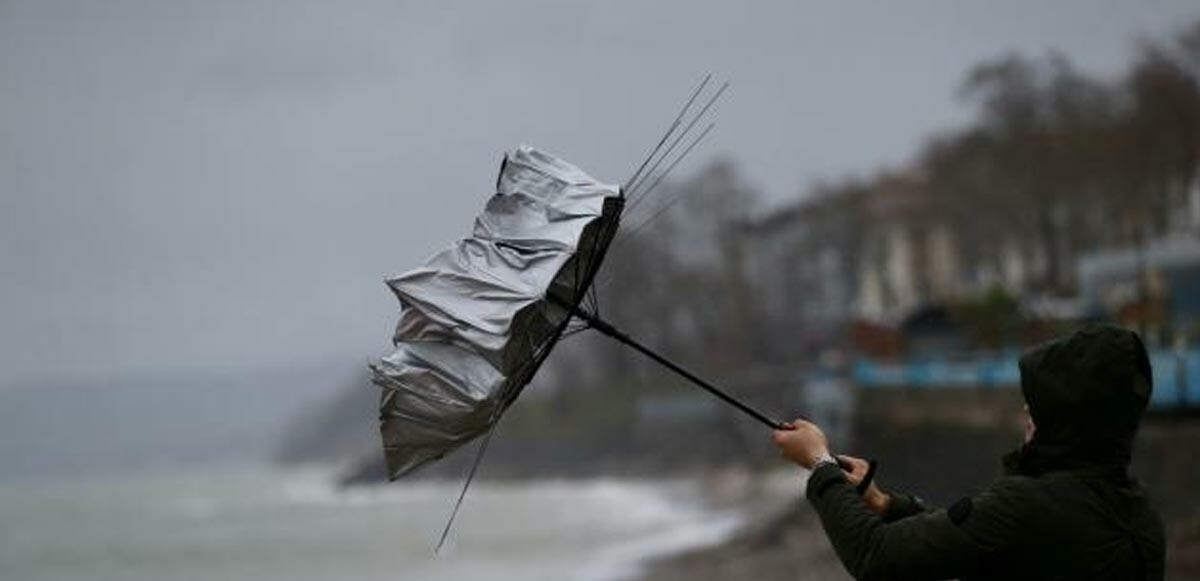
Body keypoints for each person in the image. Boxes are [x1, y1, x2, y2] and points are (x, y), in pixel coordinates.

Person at [772, 325, 1165, 580]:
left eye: (1039, 404)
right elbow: (984, 540)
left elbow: (876, 557)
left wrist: (819, 463)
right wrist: (886, 504)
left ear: (1068, 418)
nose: (1027, 411)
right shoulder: (1139, 516)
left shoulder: (1026, 506)